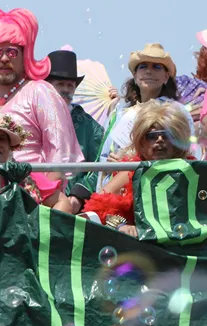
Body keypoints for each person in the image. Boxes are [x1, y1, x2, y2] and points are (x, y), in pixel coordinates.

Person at [0, 7, 82, 170]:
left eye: (12, 52)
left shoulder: (41, 93)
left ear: (24, 56)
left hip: (31, 185)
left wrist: (43, 186)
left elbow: (62, 157)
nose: (4, 58)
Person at [83, 99, 192, 235]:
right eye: (151, 136)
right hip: (142, 243)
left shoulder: (192, 170)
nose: (159, 140)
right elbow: (96, 207)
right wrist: (120, 225)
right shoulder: (131, 171)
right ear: (141, 142)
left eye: (167, 135)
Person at [99, 43, 186, 173]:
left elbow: (183, 152)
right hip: (117, 182)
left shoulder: (176, 113)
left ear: (166, 77)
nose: (149, 71)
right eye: (143, 66)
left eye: (157, 67)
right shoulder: (120, 115)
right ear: (135, 76)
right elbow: (104, 155)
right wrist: (109, 164)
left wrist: (129, 162)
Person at [46, 49, 104, 212]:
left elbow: (100, 165)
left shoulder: (90, 127)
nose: (66, 89)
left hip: (74, 207)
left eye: (70, 85)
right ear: (46, 86)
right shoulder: (32, 119)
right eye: (60, 84)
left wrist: (78, 196)